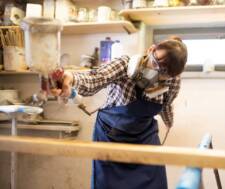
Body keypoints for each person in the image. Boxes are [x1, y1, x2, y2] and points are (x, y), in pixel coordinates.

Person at [52, 36, 187, 189]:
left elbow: (167, 104)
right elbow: (95, 79)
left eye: (164, 73)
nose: (156, 73)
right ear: (151, 50)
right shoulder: (124, 64)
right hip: (111, 137)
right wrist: (70, 78)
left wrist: (169, 122)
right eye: (155, 64)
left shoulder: (173, 79)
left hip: (144, 138)